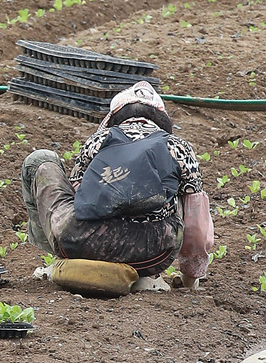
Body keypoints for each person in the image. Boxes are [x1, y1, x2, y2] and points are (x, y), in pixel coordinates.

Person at [21, 80, 214, 285]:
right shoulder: (178, 147)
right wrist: (190, 280)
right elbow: (196, 228)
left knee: (39, 160)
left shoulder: (98, 141)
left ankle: (66, 263)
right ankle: (143, 279)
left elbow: (79, 199)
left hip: (81, 242)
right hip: (153, 252)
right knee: (185, 193)